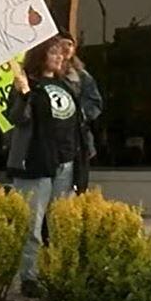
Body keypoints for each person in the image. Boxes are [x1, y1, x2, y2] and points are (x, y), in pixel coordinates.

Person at [7, 35, 83, 297]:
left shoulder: (66, 84)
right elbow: (17, 118)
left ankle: (56, 273)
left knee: (59, 223)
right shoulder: (27, 85)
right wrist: (23, 94)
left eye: (61, 53)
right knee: (33, 224)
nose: (60, 56)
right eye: (53, 52)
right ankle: (29, 277)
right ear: (40, 55)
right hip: (36, 162)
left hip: (65, 162)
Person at [56, 33, 103, 193]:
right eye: (63, 44)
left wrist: (78, 113)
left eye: (70, 44)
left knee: (76, 186)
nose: (67, 48)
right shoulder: (49, 74)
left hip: (78, 138)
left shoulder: (82, 76)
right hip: (53, 138)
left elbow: (95, 103)